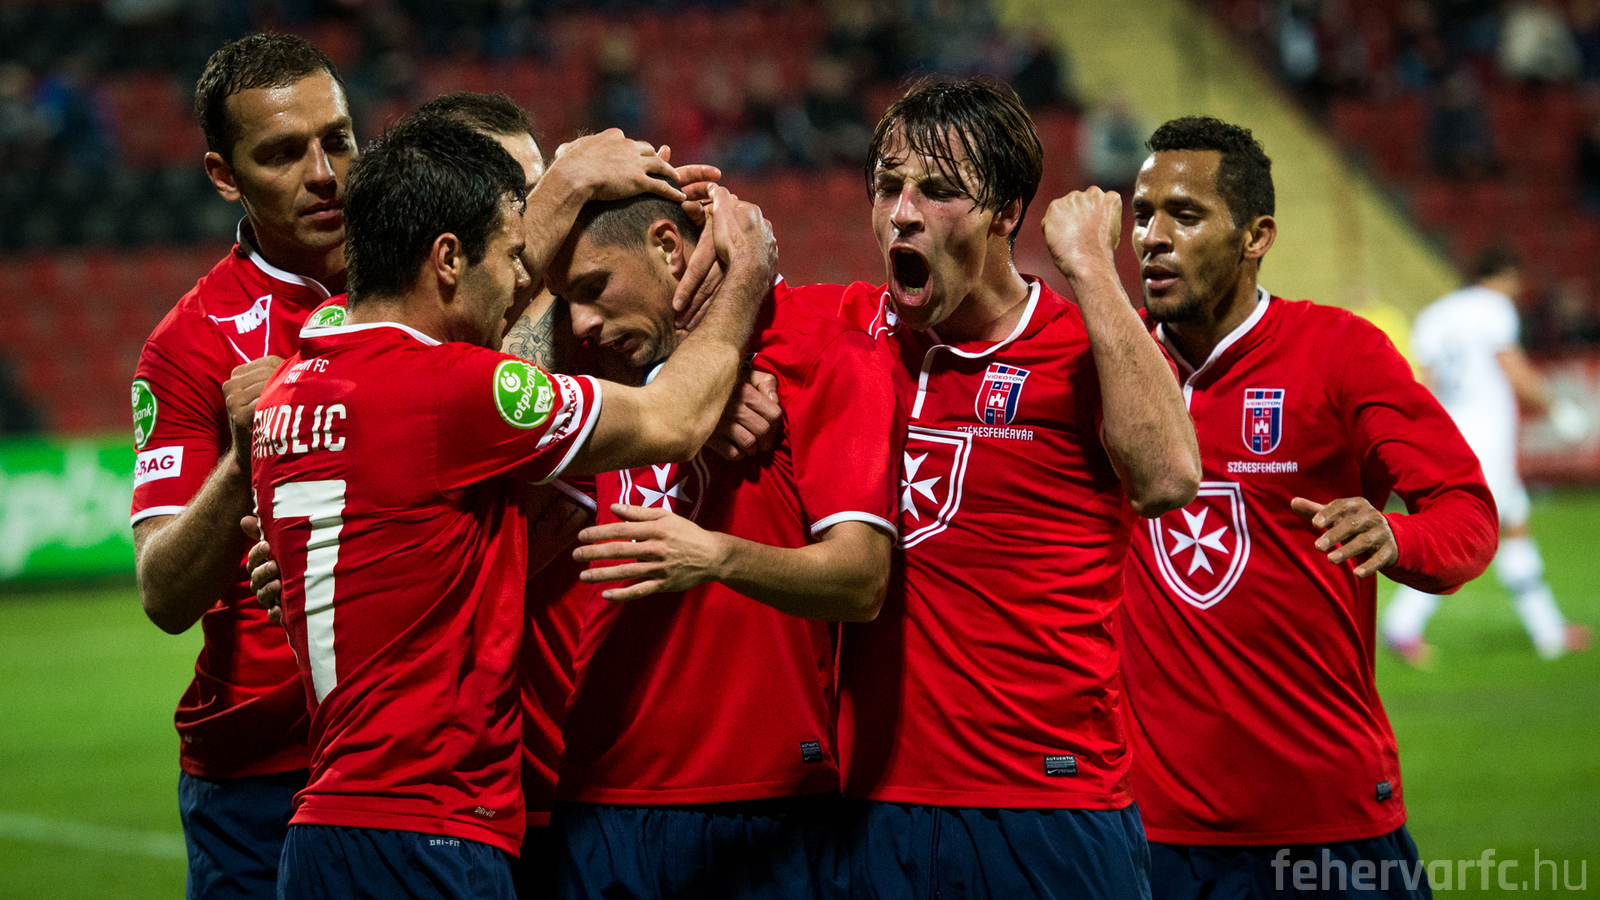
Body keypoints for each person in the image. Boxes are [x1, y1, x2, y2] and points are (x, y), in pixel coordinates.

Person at [249, 114, 774, 899]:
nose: (521, 285)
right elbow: (674, 421)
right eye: (510, 258)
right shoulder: (452, 391)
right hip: (430, 832)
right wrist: (743, 279)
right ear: (448, 259)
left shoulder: (291, 387)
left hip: (321, 834)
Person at [824, 78, 1201, 898]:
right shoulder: (847, 332)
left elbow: (1170, 476)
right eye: (888, 187)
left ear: (1005, 213)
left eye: (938, 190)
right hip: (874, 804)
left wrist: (1093, 270)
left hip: (1048, 803)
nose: (903, 214)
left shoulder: (1081, 348)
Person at [1115, 116, 1499, 900]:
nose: (1152, 236)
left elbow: (1466, 512)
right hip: (1148, 827)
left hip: (1327, 816)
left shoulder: (1340, 354)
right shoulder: (1107, 371)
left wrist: (1397, 535)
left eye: (1184, 215)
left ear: (1257, 236)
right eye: (1143, 214)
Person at [539, 185, 905, 900]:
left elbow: (860, 581)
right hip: (596, 796)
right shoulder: (590, 370)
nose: (582, 320)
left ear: (667, 248)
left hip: (766, 797)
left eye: (595, 287)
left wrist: (714, 558)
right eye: (567, 300)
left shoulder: (819, 348)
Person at [130, 34, 355, 900]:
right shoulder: (189, 343)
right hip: (259, 772)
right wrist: (241, 460)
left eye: (337, 139)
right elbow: (164, 593)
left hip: (416, 747)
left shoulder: (430, 277)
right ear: (225, 176)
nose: (324, 173)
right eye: (283, 153)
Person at [1384, 247, 1591, 662]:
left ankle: (1548, 632)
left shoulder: (1436, 315)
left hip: (1454, 435)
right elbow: (1512, 368)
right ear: (1505, 276)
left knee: (1515, 526)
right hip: (1487, 442)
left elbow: (1425, 383)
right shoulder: (1494, 309)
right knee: (1465, 536)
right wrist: (1558, 408)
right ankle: (1401, 625)